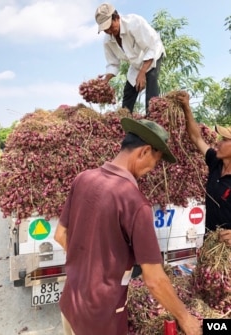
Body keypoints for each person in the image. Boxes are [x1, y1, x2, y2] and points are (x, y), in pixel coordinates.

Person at [54, 117, 202, 335]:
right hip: (100, 322)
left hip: (70, 306)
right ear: (143, 152)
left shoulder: (83, 178)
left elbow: (60, 235)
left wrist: (90, 269)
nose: (152, 169)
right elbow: (154, 280)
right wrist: (186, 318)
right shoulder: (134, 202)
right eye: (156, 161)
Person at [176, 91, 231, 245]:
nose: (218, 143)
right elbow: (196, 138)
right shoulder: (215, 162)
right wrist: (186, 107)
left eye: (224, 140)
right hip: (211, 244)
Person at [95, 3, 165, 115]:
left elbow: (152, 46)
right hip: (136, 63)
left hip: (152, 54)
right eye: (105, 30)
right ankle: (124, 121)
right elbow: (113, 64)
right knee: (128, 91)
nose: (109, 31)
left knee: (151, 88)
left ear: (117, 18)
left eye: (110, 27)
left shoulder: (134, 23)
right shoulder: (108, 41)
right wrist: (105, 81)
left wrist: (142, 73)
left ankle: (153, 120)